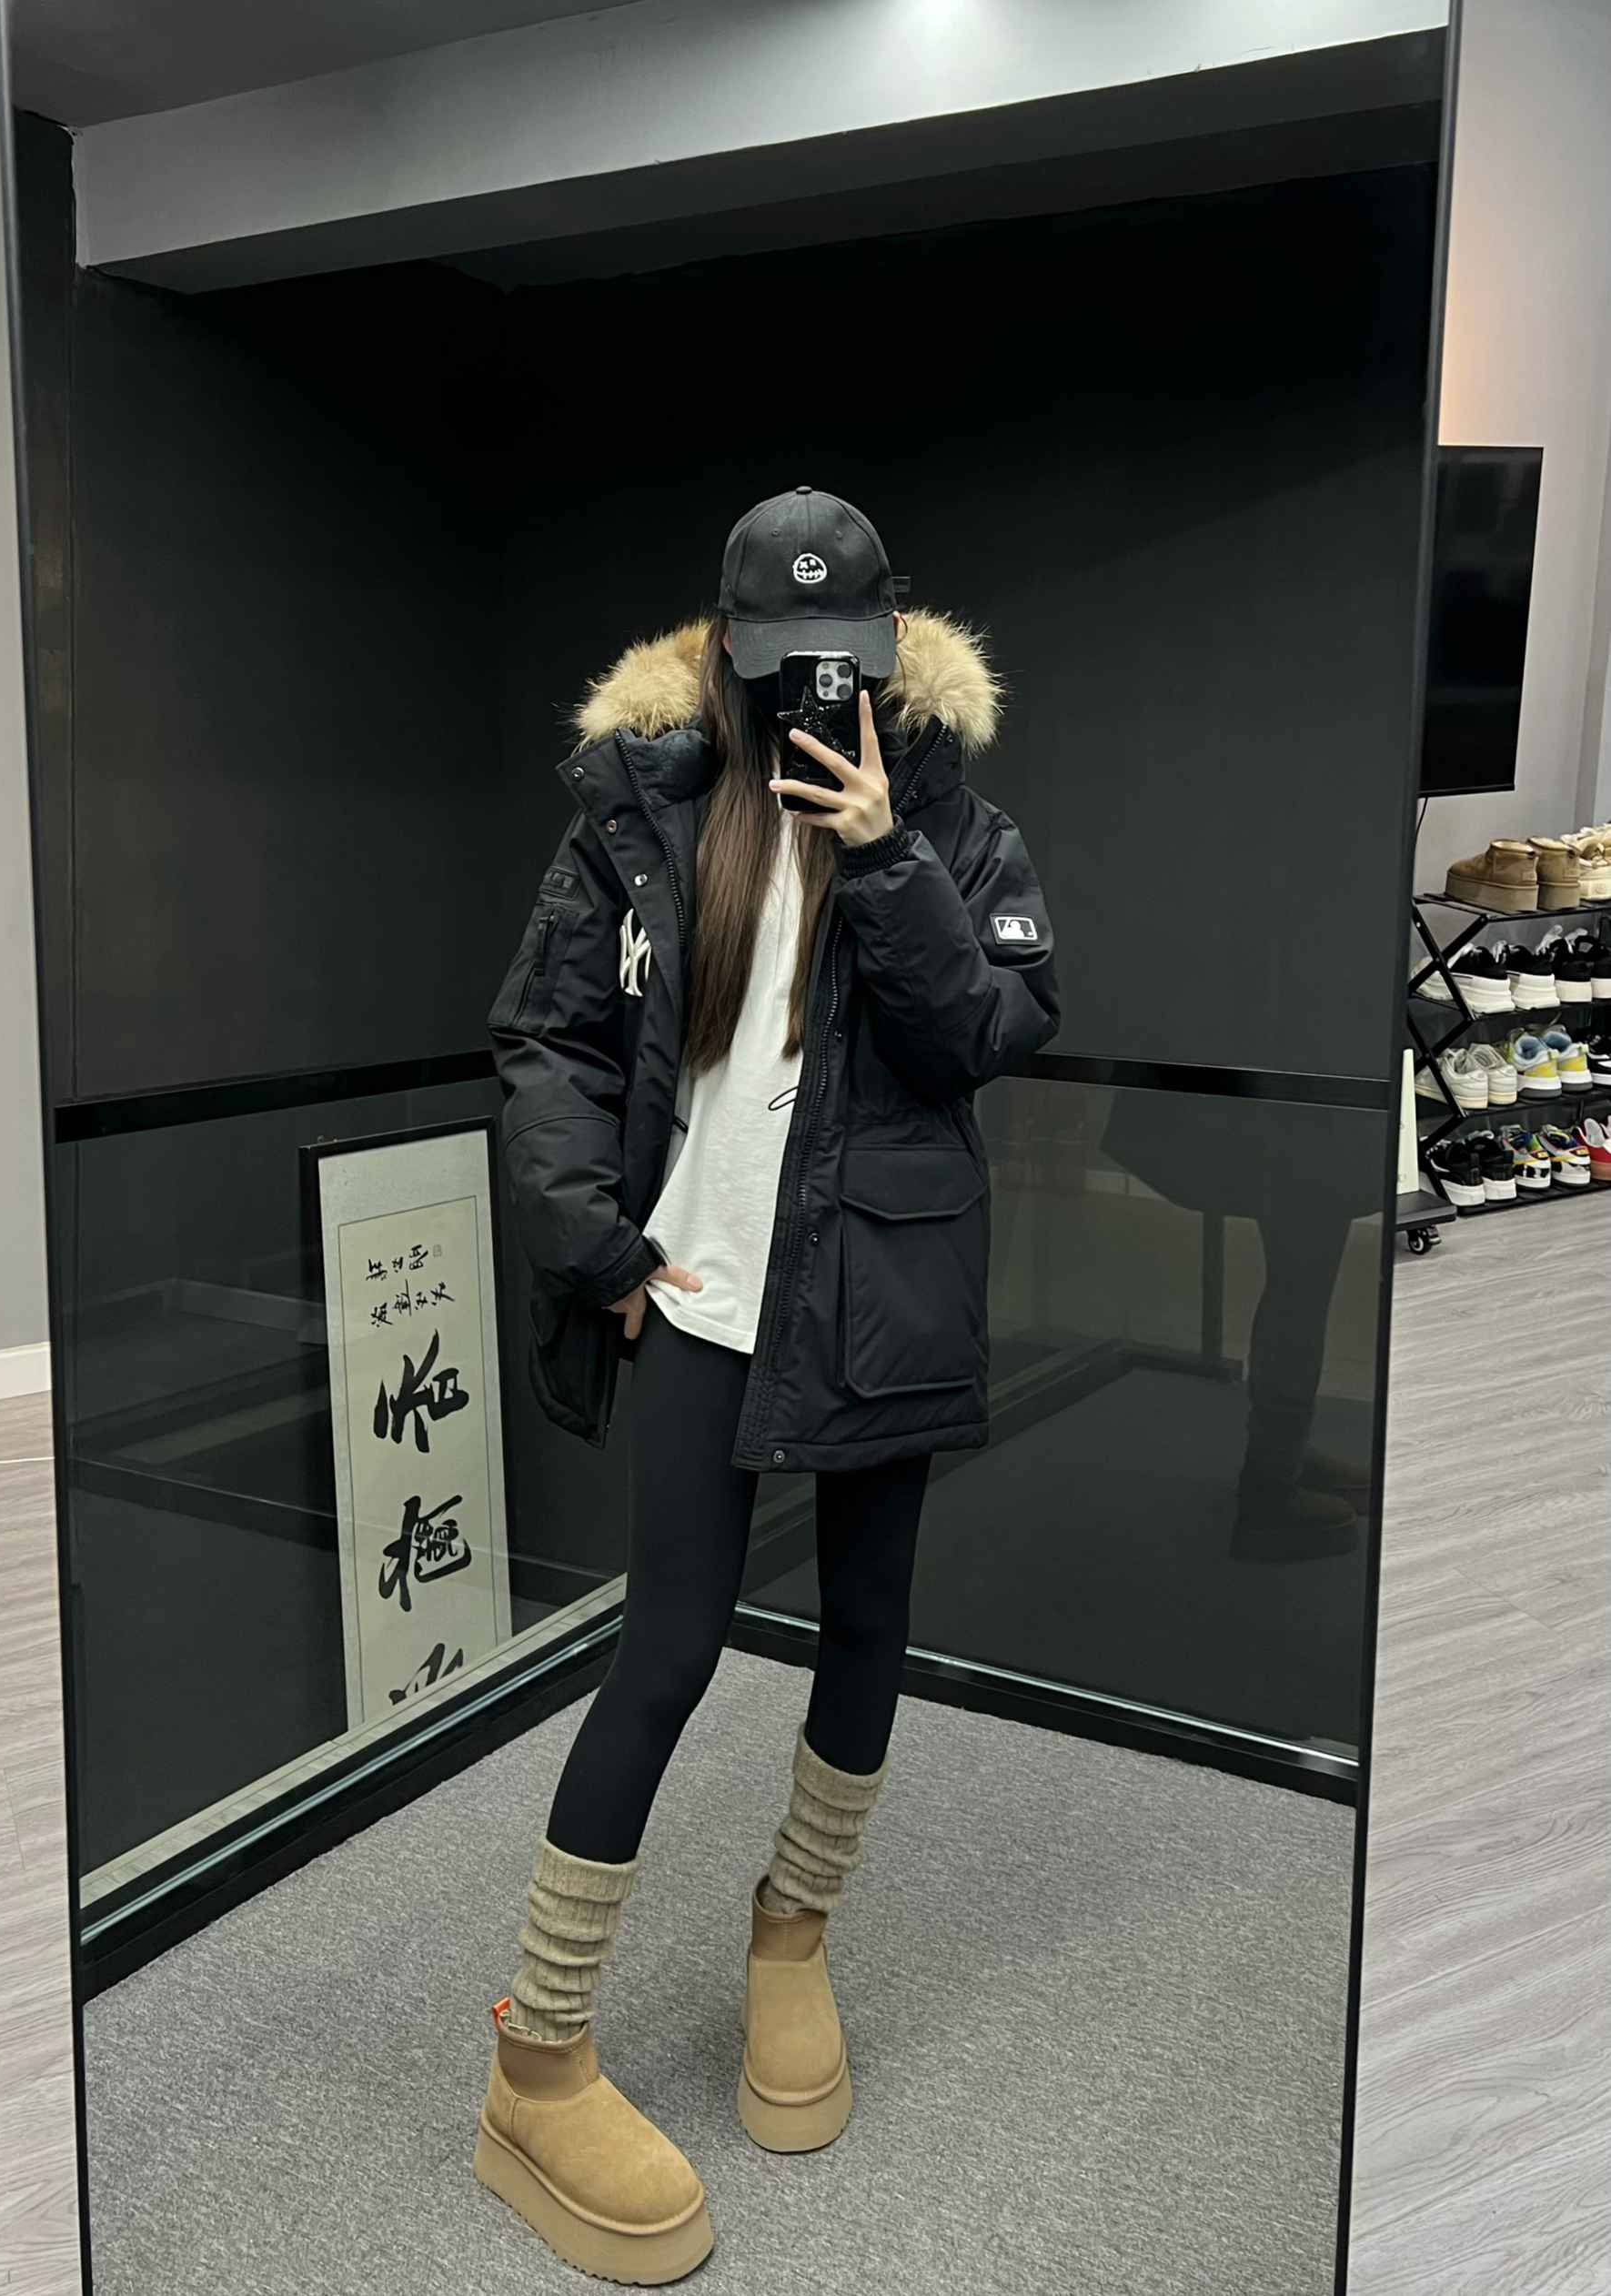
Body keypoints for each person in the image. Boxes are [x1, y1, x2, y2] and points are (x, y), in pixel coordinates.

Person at [477, 487, 1059, 2283]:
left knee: (867, 1626)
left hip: (880, 1295)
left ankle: (790, 1936)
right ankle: (536, 2053)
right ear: (724, 646)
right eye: (781, 653)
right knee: (664, 1647)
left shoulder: (954, 827)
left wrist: (881, 856)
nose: (814, 682)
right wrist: (595, 1247)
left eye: (843, 653)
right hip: (696, 1298)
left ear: (887, 647)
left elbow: (986, 1038)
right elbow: (547, 1038)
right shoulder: (640, 814)